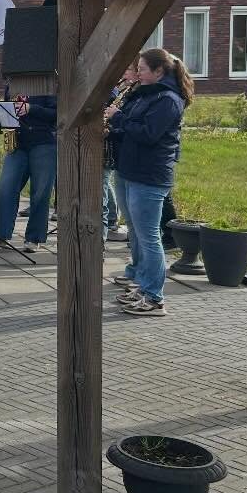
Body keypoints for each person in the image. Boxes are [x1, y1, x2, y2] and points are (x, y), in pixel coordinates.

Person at [108, 48, 195, 318]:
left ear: (159, 71)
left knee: (150, 238)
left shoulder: (168, 100)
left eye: (143, 69)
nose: (138, 73)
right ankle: (144, 286)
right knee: (139, 234)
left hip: (150, 175)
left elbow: (148, 134)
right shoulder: (147, 94)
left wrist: (117, 119)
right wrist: (115, 129)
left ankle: (155, 298)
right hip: (132, 170)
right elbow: (134, 128)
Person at [0, 92, 58, 252]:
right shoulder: (12, 84)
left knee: (40, 193)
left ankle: (34, 238)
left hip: (44, 141)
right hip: (18, 142)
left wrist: (31, 108)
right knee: (6, 188)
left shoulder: (48, 84)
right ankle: (1, 235)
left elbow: (56, 113)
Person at [103, 61, 140, 242]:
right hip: (118, 150)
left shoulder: (130, 94)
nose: (123, 74)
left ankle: (110, 221)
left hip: (128, 155)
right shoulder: (126, 93)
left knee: (104, 182)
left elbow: (142, 130)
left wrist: (114, 118)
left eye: (127, 69)